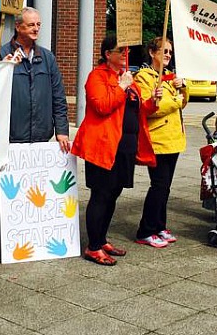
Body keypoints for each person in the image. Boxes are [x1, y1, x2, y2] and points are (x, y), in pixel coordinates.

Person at [72, 35, 159, 265]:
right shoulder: (97, 76)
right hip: (103, 145)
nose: (124, 54)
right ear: (107, 54)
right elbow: (101, 106)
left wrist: (153, 101)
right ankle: (93, 246)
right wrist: (121, 86)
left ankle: (101, 239)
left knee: (114, 194)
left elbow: (140, 110)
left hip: (125, 146)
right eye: (120, 51)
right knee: (101, 194)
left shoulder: (128, 78)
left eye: (126, 51)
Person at [0, 7, 70, 255]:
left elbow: (58, 96)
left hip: (40, 134)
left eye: (39, 24)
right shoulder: (2, 55)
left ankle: (29, 233)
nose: (36, 29)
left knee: (35, 188)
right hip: (12, 135)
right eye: (31, 25)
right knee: (5, 187)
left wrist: (62, 129)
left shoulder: (47, 58)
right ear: (19, 27)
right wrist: (0, 69)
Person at [134, 37, 187, 248]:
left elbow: (184, 102)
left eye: (170, 52)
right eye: (164, 51)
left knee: (165, 188)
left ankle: (159, 225)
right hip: (158, 139)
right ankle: (145, 230)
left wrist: (184, 88)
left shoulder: (169, 77)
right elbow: (153, 107)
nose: (167, 55)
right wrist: (176, 100)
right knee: (158, 186)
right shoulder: (144, 77)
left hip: (174, 138)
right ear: (152, 53)